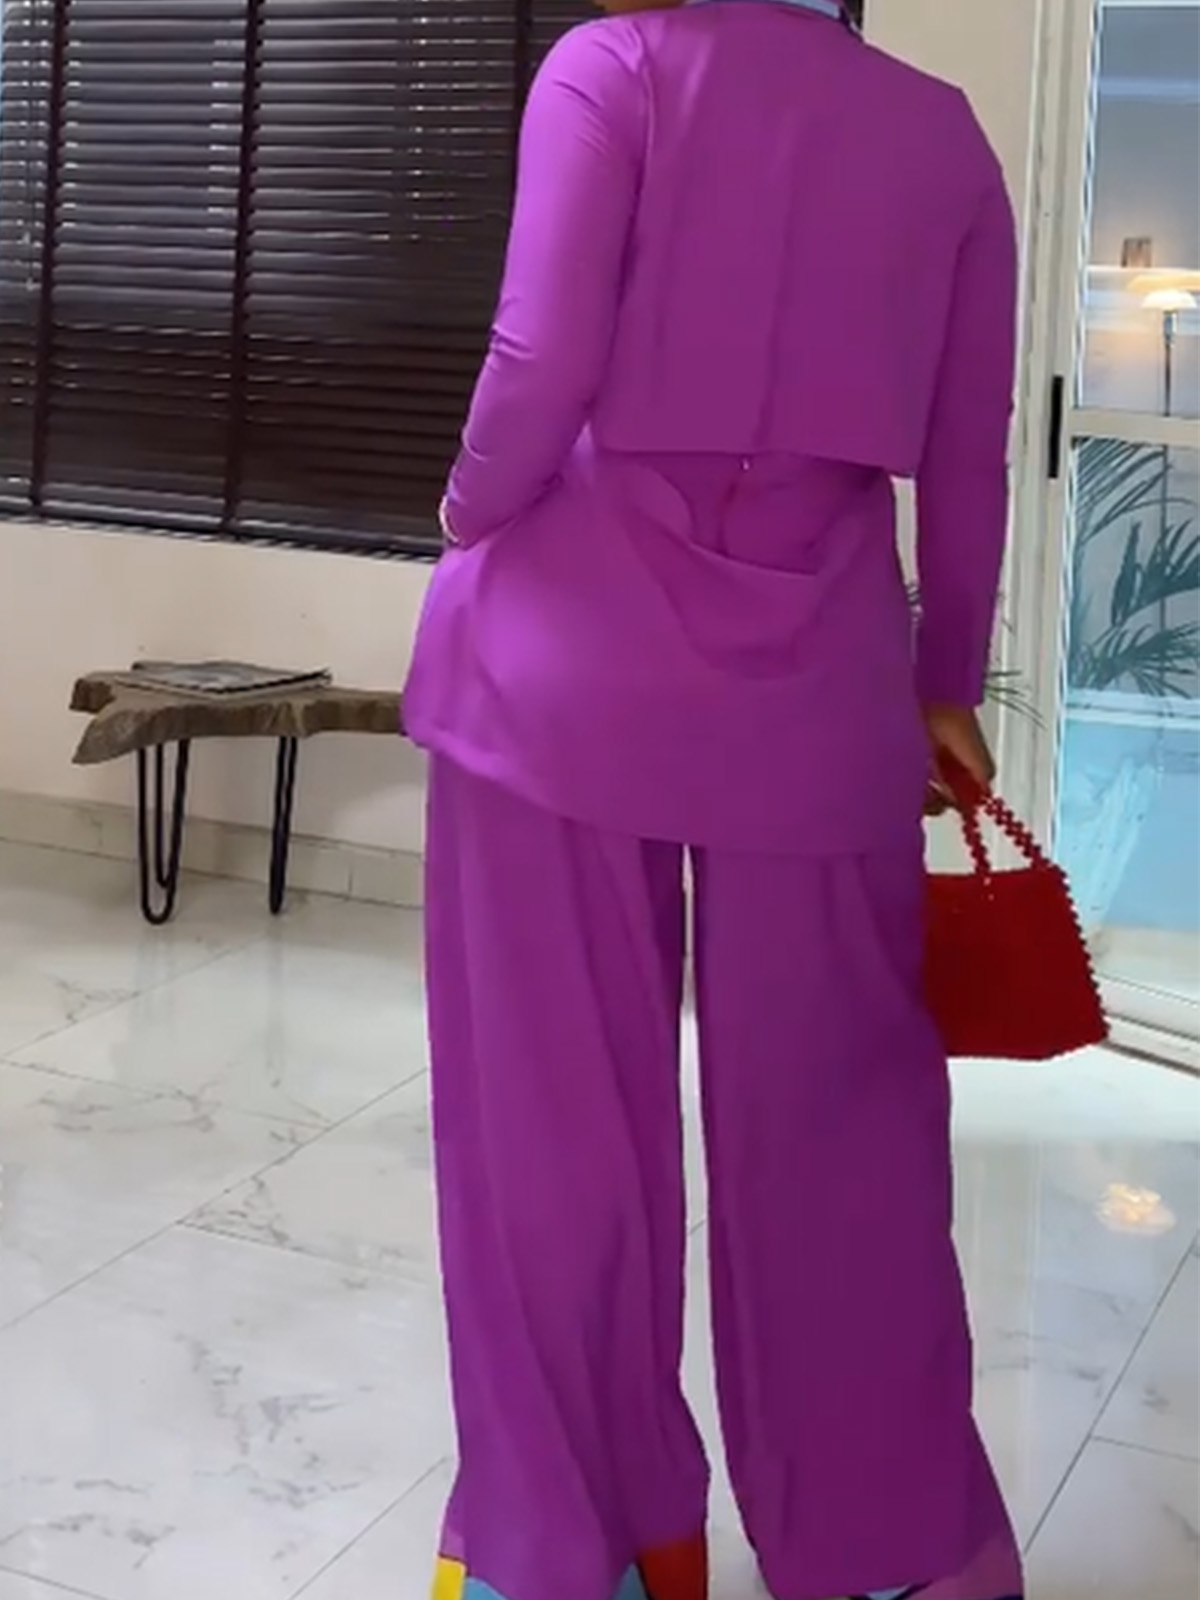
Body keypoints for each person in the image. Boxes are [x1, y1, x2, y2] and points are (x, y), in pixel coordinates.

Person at [403, 0, 1022, 1597]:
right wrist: (944, 676)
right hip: (819, 690)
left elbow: (539, 361)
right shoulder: (941, 134)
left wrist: (465, 515)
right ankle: (893, 1553)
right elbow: (968, 450)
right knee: (845, 1135)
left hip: (560, 670)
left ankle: (581, 1546)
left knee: (547, 1132)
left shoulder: (611, 69)